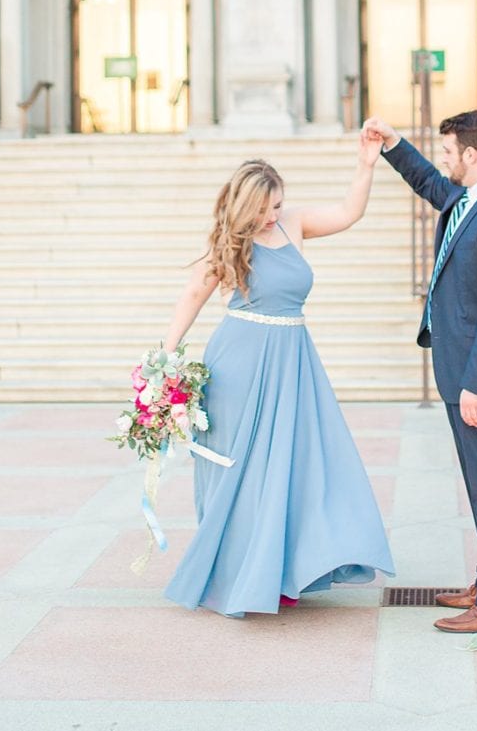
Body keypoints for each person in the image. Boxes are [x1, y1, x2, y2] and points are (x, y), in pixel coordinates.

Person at [160, 139, 395, 616]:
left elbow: (349, 212)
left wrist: (365, 164)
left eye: (278, 205)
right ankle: (240, 575)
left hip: (294, 359)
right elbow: (193, 294)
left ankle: (284, 570)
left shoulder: (294, 223)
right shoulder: (233, 240)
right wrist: (165, 359)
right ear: (247, 206)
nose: (273, 215)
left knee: (300, 463)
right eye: (265, 208)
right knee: (242, 471)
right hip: (238, 365)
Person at [363, 110, 477, 634]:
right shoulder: (472, 196)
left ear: (471, 154)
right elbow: (426, 181)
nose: (443, 162)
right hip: (470, 371)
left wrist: (475, 385)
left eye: (448, 153)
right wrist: (395, 144)